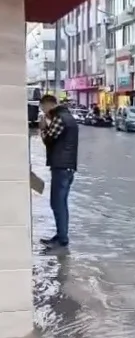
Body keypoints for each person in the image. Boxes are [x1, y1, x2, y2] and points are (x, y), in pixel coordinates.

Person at [38, 94, 79, 253]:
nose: (43, 112)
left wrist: (43, 128)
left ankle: (62, 240)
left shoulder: (61, 118)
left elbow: (49, 139)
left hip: (62, 167)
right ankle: (60, 236)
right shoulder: (66, 116)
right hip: (66, 167)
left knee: (57, 203)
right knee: (60, 203)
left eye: (43, 109)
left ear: (48, 105)